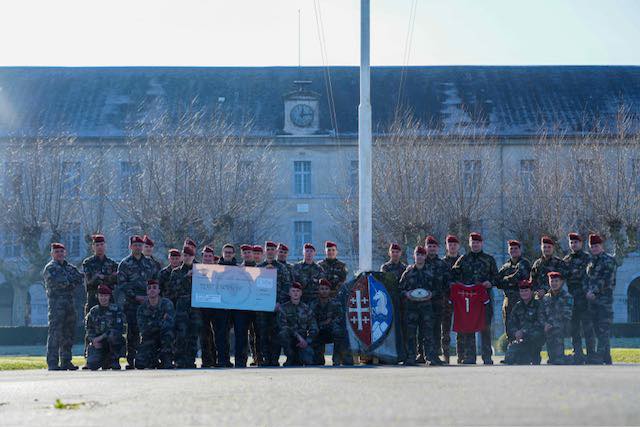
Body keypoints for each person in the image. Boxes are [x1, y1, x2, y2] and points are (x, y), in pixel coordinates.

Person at [451, 232, 498, 365]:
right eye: (473, 242)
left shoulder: (489, 259)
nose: (475, 244)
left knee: (485, 328)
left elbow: (496, 277)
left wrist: (490, 282)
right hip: (469, 300)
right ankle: (470, 356)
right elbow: (454, 275)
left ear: (481, 243)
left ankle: (487, 357)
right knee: (469, 327)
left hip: (484, 299)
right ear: (470, 243)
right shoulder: (463, 259)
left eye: (477, 242)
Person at [116, 235, 157, 369]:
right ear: (130, 246)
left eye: (140, 245)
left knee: (149, 330)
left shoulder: (150, 263)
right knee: (133, 331)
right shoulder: (125, 264)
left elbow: (155, 281)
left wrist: (150, 296)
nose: (138, 247)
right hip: (132, 303)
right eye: (135, 245)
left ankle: (149, 358)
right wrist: (135, 297)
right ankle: (131, 359)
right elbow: (122, 284)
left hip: (148, 303)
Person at [399, 246, 443, 366]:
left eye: (422, 255)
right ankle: (411, 357)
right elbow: (400, 289)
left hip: (427, 308)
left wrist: (431, 294)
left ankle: (430, 357)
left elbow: (438, 289)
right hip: (411, 308)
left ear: (425, 256)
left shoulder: (431, 271)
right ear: (414, 256)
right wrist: (407, 294)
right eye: (417, 255)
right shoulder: (408, 272)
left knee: (428, 333)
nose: (419, 257)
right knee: (411, 334)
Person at [43, 242, 84, 371]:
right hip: (56, 306)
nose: (59, 254)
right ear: (52, 254)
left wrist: (69, 282)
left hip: (70, 305)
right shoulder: (50, 268)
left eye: (61, 252)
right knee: (55, 333)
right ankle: (53, 362)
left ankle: (66, 361)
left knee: (68, 333)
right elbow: (60, 283)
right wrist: (69, 282)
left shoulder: (70, 267)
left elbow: (79, 279)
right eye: (56, 252)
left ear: (65, 253)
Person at [81, 234, 118, 362]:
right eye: (97, 245)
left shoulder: (112, 263)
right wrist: (105, 277)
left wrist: (100, 276)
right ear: (93, 247)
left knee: (111, 328)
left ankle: (111, 358)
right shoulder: (88, 263)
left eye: (102, 245)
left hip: (109, 301)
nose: (100, 247)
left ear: (105, 246)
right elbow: (89, 282)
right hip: (93, 300)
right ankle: (89, 356)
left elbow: (115, 280)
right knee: (90, 328)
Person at [257, 241, 292, 366]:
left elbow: (287, 286)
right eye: (268, 249)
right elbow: (253, 287)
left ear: (276, 251)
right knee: (263, 333)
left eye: (273, 249)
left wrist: (279, 302)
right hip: (262, 307)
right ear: (265, 251)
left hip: (277, 306)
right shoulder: (259, 267)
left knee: (276, 333)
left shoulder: (282, 268)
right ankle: (266, 359)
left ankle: (274, 359)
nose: (271, 251)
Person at [563, 232, 595, 364]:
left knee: (587, 326)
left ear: (581, 243)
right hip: (572, 298)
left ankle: (591, 353)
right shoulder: (566, 260)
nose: (573, 244)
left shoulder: (588, 258)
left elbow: (592, 276)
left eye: (576, 242)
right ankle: (577, 353)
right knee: (574, 327)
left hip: (585, 297)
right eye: (571, 242)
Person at [585, 234, 617, 365]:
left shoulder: (608, 260)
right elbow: (586, 279)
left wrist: (594, 291)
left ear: (601, 246)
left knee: (603, 329)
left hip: (604, 300)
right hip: (592, 301)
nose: (594, 248)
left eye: (596, 246)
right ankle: (606, 357)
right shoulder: (591, 261)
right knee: (597, 330)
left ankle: (599, 356)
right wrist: (587, 291)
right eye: (592, 246)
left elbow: (607, 279)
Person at [168, 245, 202, 368]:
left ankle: (190, 360)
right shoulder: (176, 272)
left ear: (193, 257)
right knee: (181, 334)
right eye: (185, 255)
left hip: (195, 308)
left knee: (193, 334)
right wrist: (185, 277)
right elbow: (172, 291)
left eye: (190, 256)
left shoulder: (200, 271)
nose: (187, 258)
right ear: (182, 256)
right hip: (182, 307)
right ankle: (179, 360)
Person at [496, 240, 531, 342]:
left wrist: (505, 280)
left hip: (521, 300)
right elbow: (497, 281)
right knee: (509, 326)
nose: (513, 250)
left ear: (520, 250)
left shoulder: (524, 263)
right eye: (511, 248)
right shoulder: (505, 266)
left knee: (522, 326)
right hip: (508, 301)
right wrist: (506, 281)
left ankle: (524, 352)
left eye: (516, 248)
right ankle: (511, 351)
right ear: (508, 250)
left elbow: (519, 276)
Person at [135, 279, 175, 369]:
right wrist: (160, 322)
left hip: (165, 338)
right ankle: (154, 361)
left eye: (154, 288)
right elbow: (144, 330)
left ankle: (167, 358)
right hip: (150, 339)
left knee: (168, 333)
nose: (152, 290)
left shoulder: (167, 304)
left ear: (159, 290)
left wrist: (151, 324)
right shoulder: (142, 308)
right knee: (139, 364)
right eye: (149, 288)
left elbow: (169, 324)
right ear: (147, 291)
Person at [423, 236, 451, 364]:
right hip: (422, 302)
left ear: (438, 248)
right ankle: (422, 354)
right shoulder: (421, 262)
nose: (432, 249)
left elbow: (447, 284)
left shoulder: (442, 264)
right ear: (425, 247)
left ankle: (434, 354)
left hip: (438, 302)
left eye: (434, 246)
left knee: (436, 329)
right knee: (423, 329)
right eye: (429, 246)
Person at [504, 280, 545, 365]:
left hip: (534, 338)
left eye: (526, 290)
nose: (524, 293)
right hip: (520, 338)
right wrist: (515, 332)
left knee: (535, 336)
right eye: (522, 291)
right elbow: (511, 323)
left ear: (531, 291)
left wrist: (523, 331)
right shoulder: (518, 306)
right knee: (510, 359)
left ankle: (535, 355)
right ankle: (522, 356)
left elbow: (540, 323)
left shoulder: (538, 305)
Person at [277, 282, 318, 366]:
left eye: (298, 291)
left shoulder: (306, 309)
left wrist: (307, 341)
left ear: (301, 293)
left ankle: (299, 357)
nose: (295, 293)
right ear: (289, 293)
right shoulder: (283, 308)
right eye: (293, 291)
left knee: (308, 361)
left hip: (303, 340)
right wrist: (298, 336)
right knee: (283, 333)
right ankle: (290, 357)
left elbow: (314, 327)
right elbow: (283, 326)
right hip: (291, 338)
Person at [85, 284, 125, 370]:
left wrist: (100, 337)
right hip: (99, 343)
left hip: (111, 341)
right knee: (92, 365)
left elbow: (118, 328)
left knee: (113, 336)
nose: (103, 298)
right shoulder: (93, 311)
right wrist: (93, 340)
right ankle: (104, 361)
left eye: (106, 296)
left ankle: (114, 360)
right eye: (101, 296)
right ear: (97, 296)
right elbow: (89, 329)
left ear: (109, 297)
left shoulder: (116, 310)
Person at [542, 271, 573, 365]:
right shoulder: (545, 298)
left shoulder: (567, 297)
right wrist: (544, 324)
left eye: (556, 281)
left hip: (563, 325)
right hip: (548, 325)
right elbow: (541, 313)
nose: (554, 283)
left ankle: (560, 356)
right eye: (552, 281)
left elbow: (567, 315)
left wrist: (551, 323)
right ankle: (550, 356)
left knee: (556, 329)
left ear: (561, 282)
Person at [309, 279, 342, 365]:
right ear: (318, 290)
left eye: (326, 289)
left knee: (338, 331)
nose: (324, 291)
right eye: (322, 289)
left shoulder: (335, 303)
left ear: (330, 290)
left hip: (331, 330)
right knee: (317, 362)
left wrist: (329, 323)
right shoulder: (313, 304)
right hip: (319, 331)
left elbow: (339, 317)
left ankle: (336, 359)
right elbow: (311, 319)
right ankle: (319, 358)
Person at [442, 235, 461, 364]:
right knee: (445, 329)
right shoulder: (441, 262)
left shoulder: (463, 260)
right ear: (446, 246)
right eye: (450, 244)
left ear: (458, 246)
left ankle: (462, 355)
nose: (452, 246)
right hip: (445, 299)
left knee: (461, 327)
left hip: (461, 299)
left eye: (454, 244)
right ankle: (446, 355)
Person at [199, 245, 218, 368]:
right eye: (205, 256)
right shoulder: (197, 270)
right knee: (204, 335)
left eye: (210, 256)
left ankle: (217, 360)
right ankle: (206, 360)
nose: (207, 258)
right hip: (202, 307)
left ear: (213, 258)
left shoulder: (219, 271)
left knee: (218, 334)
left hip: (217, 307)